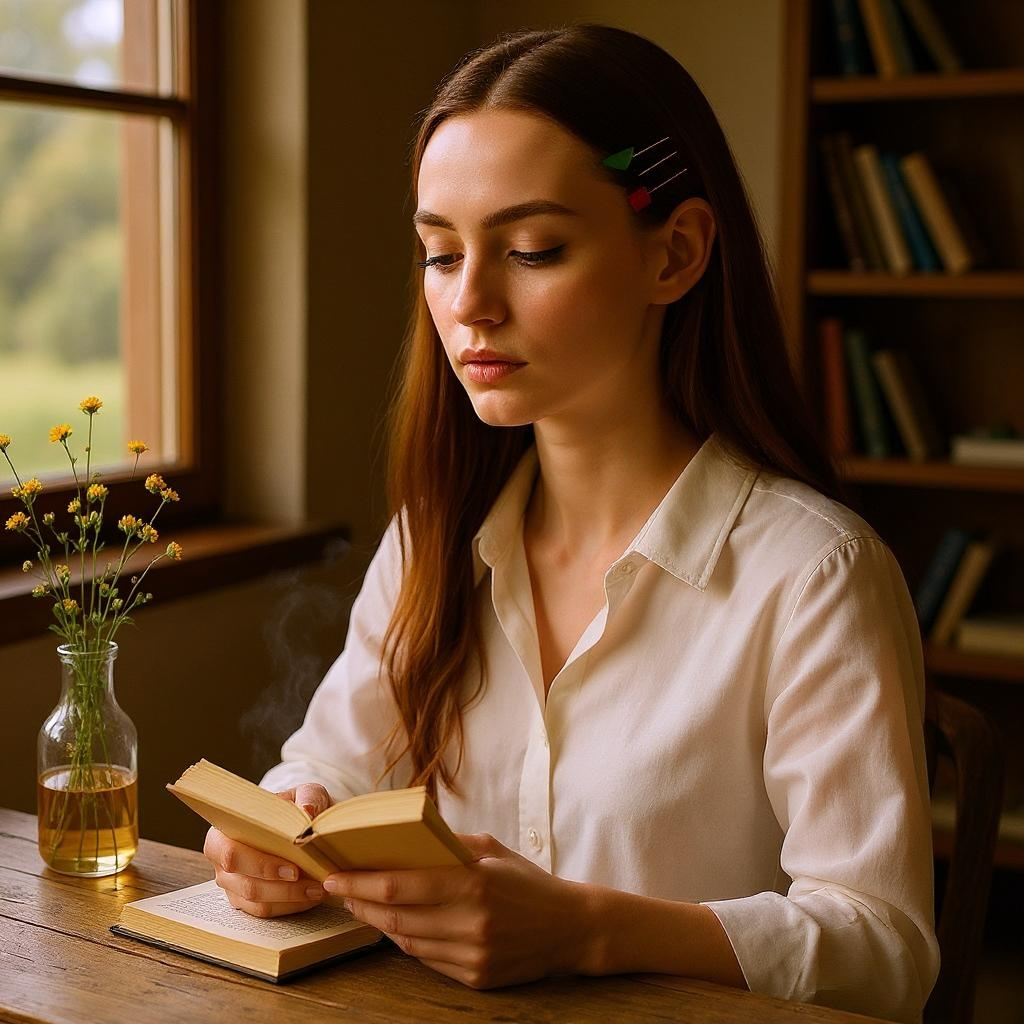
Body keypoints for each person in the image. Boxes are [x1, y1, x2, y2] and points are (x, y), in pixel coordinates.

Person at [203, 24, 939, 1021]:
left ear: (673, 254)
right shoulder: (435, 540)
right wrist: (280, 831)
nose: (469, 304)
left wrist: (588, 927)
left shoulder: (812, 573)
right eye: (437, 253)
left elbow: (884, 945)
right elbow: (329, 764)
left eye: (533, 249)